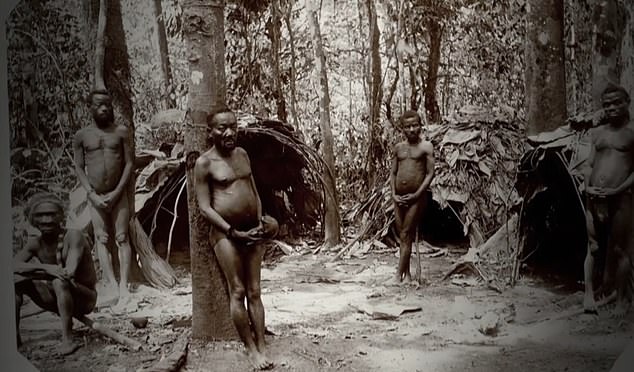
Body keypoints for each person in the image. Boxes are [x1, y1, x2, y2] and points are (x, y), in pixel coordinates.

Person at [194, 105, 278, 370]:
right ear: (211, 133)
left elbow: (253, 189)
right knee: (238, 290)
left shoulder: (242, 154)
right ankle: (251, 350)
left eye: (233, 126)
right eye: (222, 128)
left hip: (253, 231)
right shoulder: (204, 163)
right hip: (225, 235)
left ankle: (262, 344)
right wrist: (232, 231)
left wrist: (261, 218)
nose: (229, 132)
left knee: (255, 291)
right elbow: (205, 207)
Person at [72, 89, 134, 311]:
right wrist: (91, 194)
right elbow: (79, 166)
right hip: (95, 196)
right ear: (90, 107)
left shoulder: (120, 132)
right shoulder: (82, 136)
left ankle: (125, 286)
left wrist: (117, 192)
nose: (104, 108)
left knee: (122, 237)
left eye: (107, 104)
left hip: (119, 195)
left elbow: (128, 163)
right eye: (99, 105)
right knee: (101, 238)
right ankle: (111, 285)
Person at [14, 193, 98, 355]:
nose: (47, 220)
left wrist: (43, 272)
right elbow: (11, 265)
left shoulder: (73, 236)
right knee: (15, 281)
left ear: (61, 216)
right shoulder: (35, 243)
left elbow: (68, 273)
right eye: (41, 215)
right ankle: (15, 341)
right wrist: (47, 268)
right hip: (57, 298)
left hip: (84, 299)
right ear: (32, 219)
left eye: (51, 214)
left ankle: (68, 340)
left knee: (59, 281)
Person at [583, 84, 634, 317]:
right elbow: (589, 165)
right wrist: (586, 185)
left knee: (620, 249)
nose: (611, 108)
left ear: (627, 103)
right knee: (593, 247)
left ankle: (622, 301)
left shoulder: (632, 133)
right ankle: (588, 296)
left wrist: (618, 190)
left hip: (620, 199)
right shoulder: (597, 133)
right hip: (594, 198)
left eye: (616, 103)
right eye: (607, 105)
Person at [390, 110, 435, 285]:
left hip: (416, 198)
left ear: (420, 125)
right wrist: (394, 194)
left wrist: (417, 194)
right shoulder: (398, 148)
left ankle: (396, 276)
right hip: (399, 198)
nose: (412, 129)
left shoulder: (426, 147)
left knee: (406, 232)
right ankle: (407, 275)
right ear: (402, 129)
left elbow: (430, 173)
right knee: (403, 237)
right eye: (407, 126)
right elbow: (393, 173)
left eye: (415, 125)